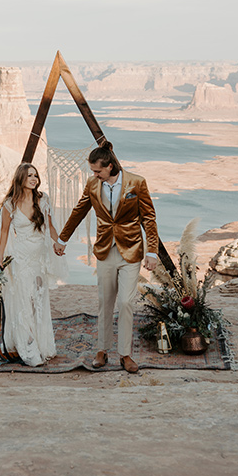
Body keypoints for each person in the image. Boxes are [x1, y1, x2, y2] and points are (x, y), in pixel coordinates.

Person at [54, 142, 158, 373]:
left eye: (98, 171)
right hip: (104, 250)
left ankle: (125, 354)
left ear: (110, 166)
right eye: (93, 172)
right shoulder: (92, 184)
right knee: (105, 302)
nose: (95, 175)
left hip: (131, 251)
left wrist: (152, 252)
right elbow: (78, 212)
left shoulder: (136, 182)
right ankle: (102, 350)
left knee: (125, 303)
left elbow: (149, 219)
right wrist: (62, 240)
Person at [0, 163, 67, 366]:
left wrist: (58, 243)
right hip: (21, 259)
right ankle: (28, 348)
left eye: (36, 175)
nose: (34, 179)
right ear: (21, 178)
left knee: (38, 302)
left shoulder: (43, 200)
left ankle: (42, 345)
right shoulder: (10, 204)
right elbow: (4, 232)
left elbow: (50, 227)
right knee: (24, 301)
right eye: (30, 175)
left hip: (39, 259)